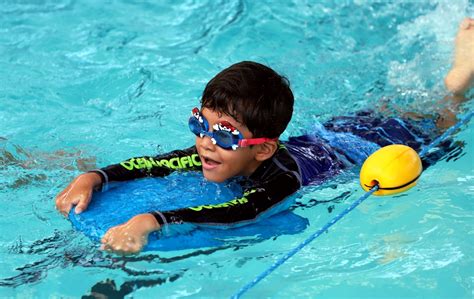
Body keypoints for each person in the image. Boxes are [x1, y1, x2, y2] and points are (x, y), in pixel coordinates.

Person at [56, 18, 474, 255]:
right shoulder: (214, 151)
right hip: (329, 132)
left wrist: (154, 221)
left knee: (438, 120)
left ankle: (458, 81)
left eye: (222, 134)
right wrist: (94, 178)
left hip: (370, 148)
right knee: (403, 104)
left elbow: (240, 212)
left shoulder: (281, 181)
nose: (204, 142)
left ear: (263, 150)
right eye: (200, 124)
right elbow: (150, 164)